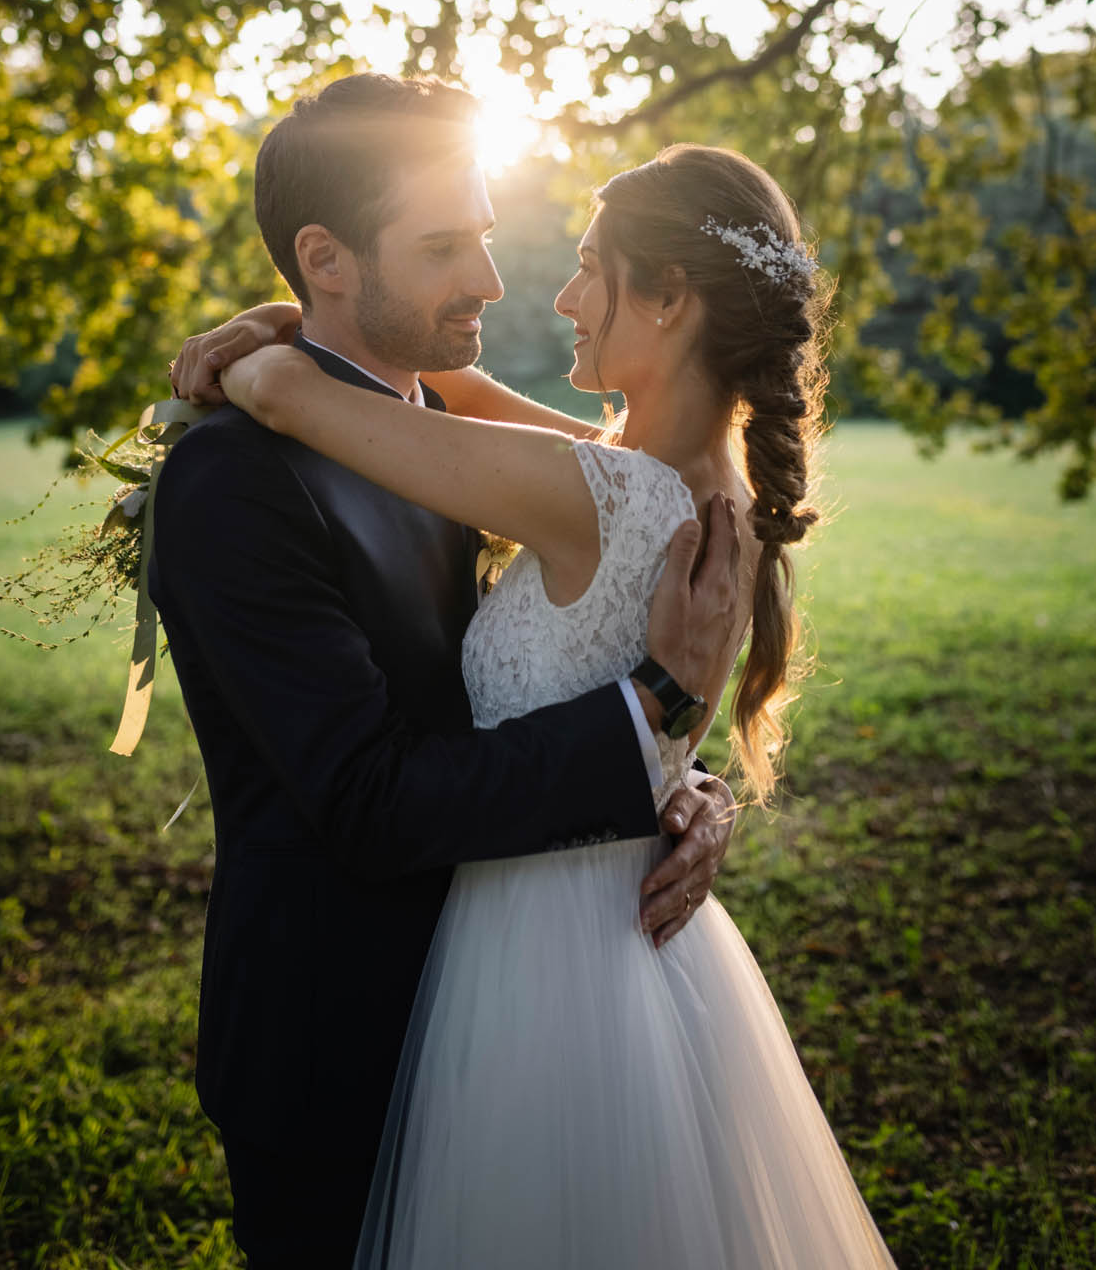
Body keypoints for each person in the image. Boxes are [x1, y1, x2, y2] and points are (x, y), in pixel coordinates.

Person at [214, 135, 897, 1269]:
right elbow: (449, 390)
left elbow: (302, 401)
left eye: (591, 266)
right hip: (627, 932)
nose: (560, 295)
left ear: (670, 297)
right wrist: (291, 312)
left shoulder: (608, 492)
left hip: (540, 954)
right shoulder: (666, 479)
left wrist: (260, 345)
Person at [151, 74, 741, 1269]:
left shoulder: (458, 446)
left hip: (530, 1025)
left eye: (481, 233)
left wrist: (679, 780)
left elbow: (597, 603)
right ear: (323, 257)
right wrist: (647, 725)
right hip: (341, 1043)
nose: (490, 278)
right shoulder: (234, 479)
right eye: (443, 246)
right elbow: (365, 798)